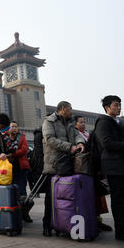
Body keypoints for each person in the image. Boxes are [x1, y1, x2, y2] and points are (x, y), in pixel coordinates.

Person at [95, 95, 124, 242]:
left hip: (122, 165)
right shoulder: (103, 123)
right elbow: (106, 143)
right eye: (115, 105)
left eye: (120, 105)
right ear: (107, 107)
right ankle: (121, 232)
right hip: (113, 166)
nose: (119, 107)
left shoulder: (119, 123)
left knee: (121, 198)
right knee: (117, 200)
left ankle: (123, 230)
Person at [41, 101, 85, 237]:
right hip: (54, 165)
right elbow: (50, 139)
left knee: (68, 197)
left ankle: (65, 224)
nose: (71, 111)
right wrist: (69, 147)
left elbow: (76, 134)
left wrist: (80, 142)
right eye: (70, 108)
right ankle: (47, 226)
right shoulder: (49, 121)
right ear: (63, 109)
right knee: (51, 198)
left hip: (69, 164)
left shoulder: (70, 122)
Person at [74, 115, 113, 233]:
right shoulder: (75, 135)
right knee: (88, 196)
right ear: (75, 124)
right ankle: (91, 221)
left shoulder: (87, 133)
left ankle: (98, 221)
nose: (83, 124)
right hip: (84, 170)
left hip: (94, 168)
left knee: (98, 196)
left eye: (84, 122)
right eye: (80, 122)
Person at [3, 121, 32, 223]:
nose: (14, 128)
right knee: (11, 190)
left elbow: (24, 150)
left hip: (21, 167)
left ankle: (24, 213)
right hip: (8, 168)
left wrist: (12, 155)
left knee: (22, 190)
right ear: (9, 128)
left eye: (16, 126)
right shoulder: (4, 137)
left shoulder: (22, 137)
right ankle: (13, 213)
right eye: (12, 127)